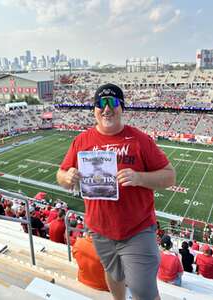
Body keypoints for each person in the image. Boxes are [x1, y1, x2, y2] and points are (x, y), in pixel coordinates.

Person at [56, 83, 176, 300]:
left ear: (122, 107)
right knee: (113, 273)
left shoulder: (139, 140)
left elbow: (170, 176)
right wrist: (66, 177)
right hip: (100, 229)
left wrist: (140, 177)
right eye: (101, 103)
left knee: (143, 291)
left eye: (113, 102)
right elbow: (61, 174)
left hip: (137, 230)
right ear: (94, 109)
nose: (107, 108)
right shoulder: (82, 140)